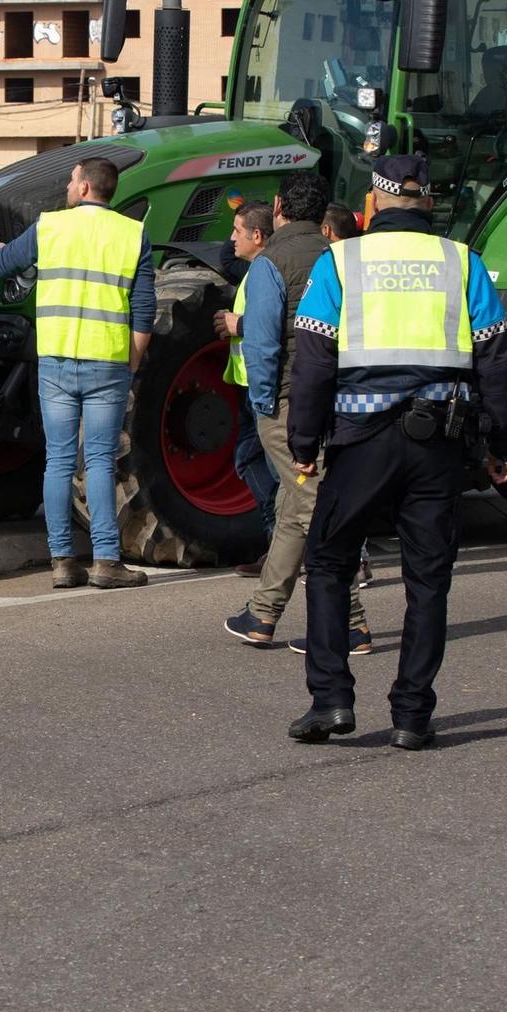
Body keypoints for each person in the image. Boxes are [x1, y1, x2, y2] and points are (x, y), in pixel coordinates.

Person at [284, 155, 507, 747]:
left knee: (330, 562)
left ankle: (331, 701)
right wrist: (504, 441)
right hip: (439, 442)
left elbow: (312, 359)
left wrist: (304, 441)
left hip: (361, 440)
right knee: (428, 579)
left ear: (373, 202)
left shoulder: (341, 261)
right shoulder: (463, 262)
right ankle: (412, 715)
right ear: (428, 203)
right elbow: (497, 361)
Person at [0, 156, 155, 590]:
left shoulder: (50, 227)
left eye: (71, 179)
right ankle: (106, 561)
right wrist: (132, 361)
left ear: (83, 188)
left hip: (57, 361)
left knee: (58, 461)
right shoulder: (132, 233)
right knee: (99, 461)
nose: (66, 186)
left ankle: (62, 561)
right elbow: (143, 308)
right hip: (108, 363)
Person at [221, 172, 373, 652]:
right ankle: (262, 614)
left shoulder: (272, 262)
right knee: (294, 506)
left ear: (278, 207)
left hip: (289, 403)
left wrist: (264, 402)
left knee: (311, 509)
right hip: (341, 399)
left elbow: (263, 340)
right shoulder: (342, 257)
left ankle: (350, 623)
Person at [218, 200, 279, 571]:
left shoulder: (267, 272)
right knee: (253, 459)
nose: (231, 238)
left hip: (263, 387)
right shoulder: (256, 268)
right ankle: (278, 542)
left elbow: (271, 323)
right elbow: (226, 258)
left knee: (268, 465)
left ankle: (281, 541)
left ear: (257, 236)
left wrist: (236, 324)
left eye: (237, 230)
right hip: (250, 383)